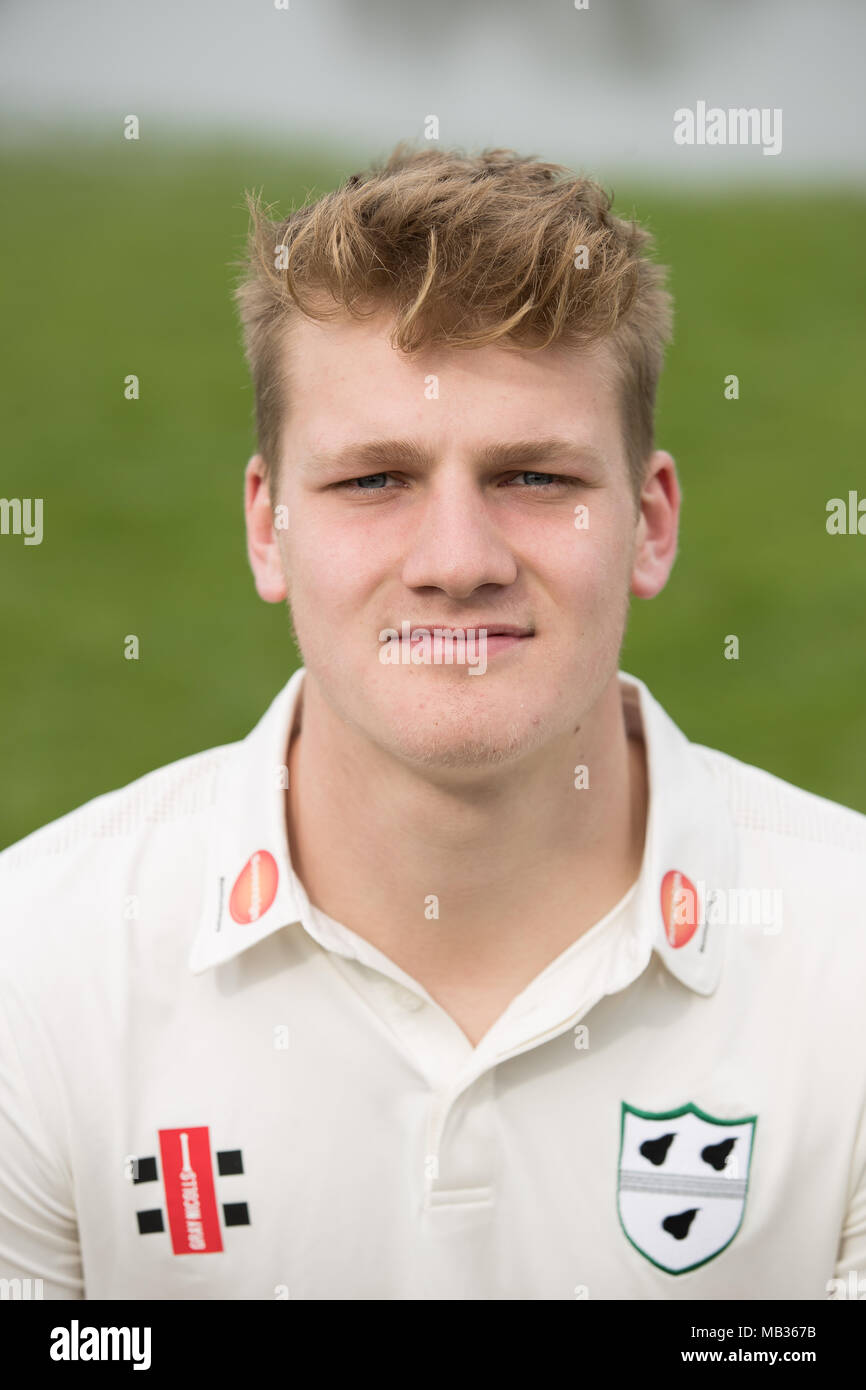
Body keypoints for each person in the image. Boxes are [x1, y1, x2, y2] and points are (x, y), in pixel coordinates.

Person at [1, 145, 863, 1301]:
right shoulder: (37, 968)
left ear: (649, 523)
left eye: (532, 478)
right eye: (373, 481)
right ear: (268, 529)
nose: (456, 563)